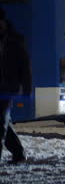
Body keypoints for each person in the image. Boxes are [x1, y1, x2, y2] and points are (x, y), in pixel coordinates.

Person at [0, 8, 31, 164]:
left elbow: (24, 67)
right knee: (4, 123)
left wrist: (26, 89)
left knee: (0, 122)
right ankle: (18, 153)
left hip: (7, 89)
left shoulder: (15, 41)